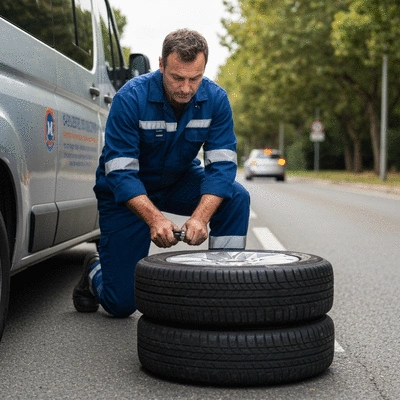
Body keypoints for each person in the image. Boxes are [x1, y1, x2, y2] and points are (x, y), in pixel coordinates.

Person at [73, 29, 250, 318]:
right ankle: (95, 270)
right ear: (161, 65)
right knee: (121, 305)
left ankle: (225, 286)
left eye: (195, 78)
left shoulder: (216, 100)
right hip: (125, 193)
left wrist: (200, 218)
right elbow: (120, 172)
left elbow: (222, 167)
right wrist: (155, 218)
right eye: (177, 77)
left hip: (177, 181)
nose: (185, 88)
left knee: (236, 196)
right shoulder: (130, 98)